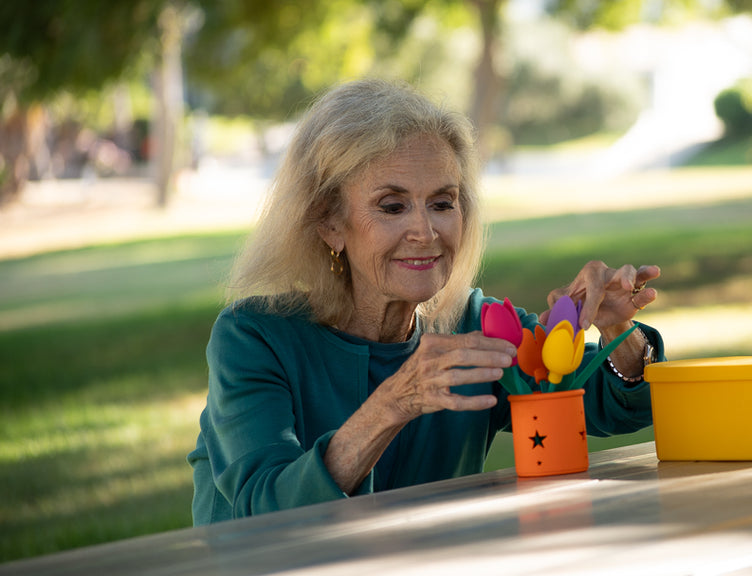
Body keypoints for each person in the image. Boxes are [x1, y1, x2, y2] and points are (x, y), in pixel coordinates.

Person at [187, 79, 665, 525]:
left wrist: (616, 331)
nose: (425, 231)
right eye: (393, 206)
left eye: (442, 203)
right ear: (330, 224)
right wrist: (393, 403)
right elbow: (266, 510)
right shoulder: (255, 338)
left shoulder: (475, 324)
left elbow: (620, 407)